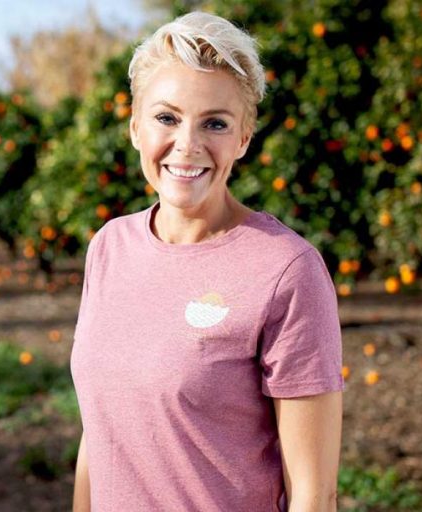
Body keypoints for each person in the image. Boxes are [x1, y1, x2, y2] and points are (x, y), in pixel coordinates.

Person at [70, 11, 345, 512]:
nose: (188, 145)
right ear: (135, 128)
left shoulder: (287, 270)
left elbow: (314, 494)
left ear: (243, 138)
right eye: (167, 118)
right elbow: (100, 430)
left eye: (215, 123)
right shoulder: (108, 247)